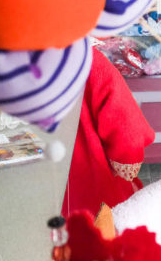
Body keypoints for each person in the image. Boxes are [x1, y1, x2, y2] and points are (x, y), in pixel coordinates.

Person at [62, 47, 155, 216]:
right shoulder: (87, 60)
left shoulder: (9, 63)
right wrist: (125, 160)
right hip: (90, 185)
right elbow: (127, 129)